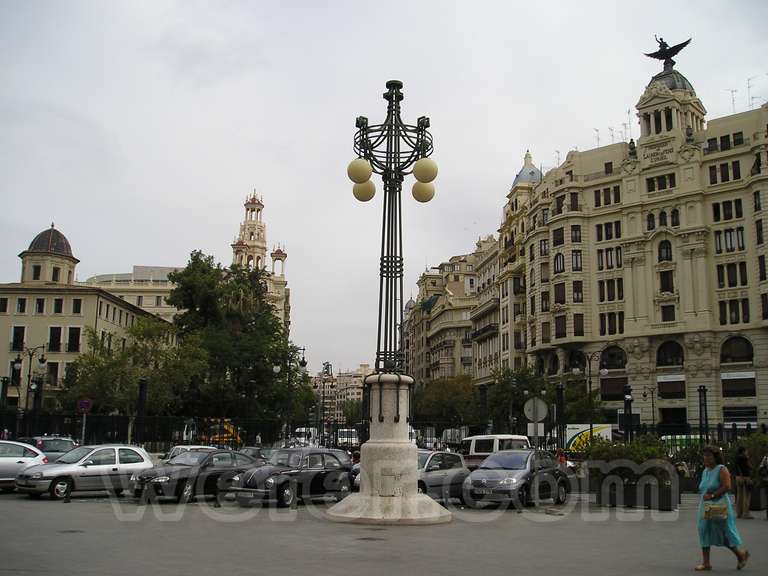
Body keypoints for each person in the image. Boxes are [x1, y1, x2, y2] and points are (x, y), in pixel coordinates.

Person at [696, 446, 749, 571]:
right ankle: (706, 563)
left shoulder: (721, 469)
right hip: (705, 506)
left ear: (716, 457)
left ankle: (740, 554)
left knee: (723, 533)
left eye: (709, 455)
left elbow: (727, 486)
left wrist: (713, 495)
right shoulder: (705, 471)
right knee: (703, 530)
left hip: (719, 505)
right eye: (704, 455)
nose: (706, 458)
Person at [733, 446, 753, 519]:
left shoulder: (736, 458)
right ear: (743, 451)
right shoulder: (744, 458)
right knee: (746, 495)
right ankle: (745, 513)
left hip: (738, 477)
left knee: (739, 495)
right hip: (745, 477)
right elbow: (750, 466)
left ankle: (739, 513)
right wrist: (748, 458)